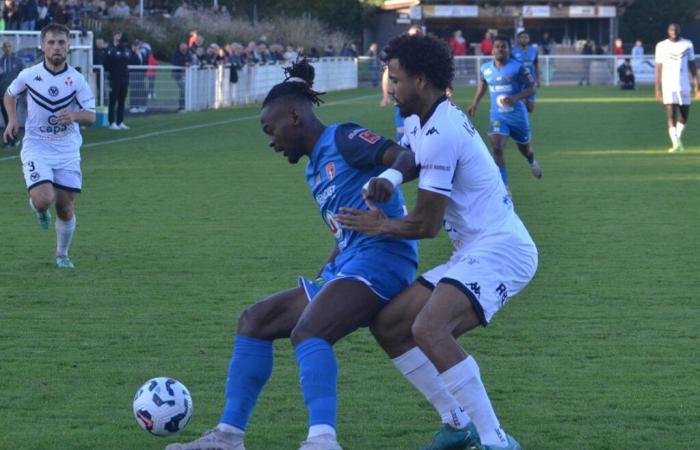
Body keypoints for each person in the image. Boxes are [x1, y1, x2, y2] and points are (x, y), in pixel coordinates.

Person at [164, 59, 418, 450]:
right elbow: (347, 221)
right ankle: (228, 437)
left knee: (310, 331)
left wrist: (387, 180)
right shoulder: (313, 169)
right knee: (255, 320)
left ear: (295, 117)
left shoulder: (344, 137)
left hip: (384, 260)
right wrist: (333, 259)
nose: (270, 140)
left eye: (271, 129)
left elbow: (404, 156)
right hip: (352, 264)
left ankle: (322, 440)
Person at [337, 32, 537, 450]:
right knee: (391, 325)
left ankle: (496, 440)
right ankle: (455, 423)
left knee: (429, 327)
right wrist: (389, 178)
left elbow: (426, 225)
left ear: (422, 81)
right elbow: (409, 156)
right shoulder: (422, 119)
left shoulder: (443, 130)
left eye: (396, 78)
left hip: (503, 249)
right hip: (476, 248)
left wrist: (378, 226)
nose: (390, 88)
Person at [3, 23, 95, 268]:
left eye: (61, 43)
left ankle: (61, 254)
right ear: (42, 46)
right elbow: (10, 94)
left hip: (67, 150)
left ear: (68, 47)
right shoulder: (29, 75)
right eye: (51, 42)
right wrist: (12, 120)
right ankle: (38, 207)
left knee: (65, 208)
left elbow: (91, 115)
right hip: (37, 147)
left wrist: (74, 117)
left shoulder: (77, 80)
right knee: (45, 199)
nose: (56, 47)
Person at [468, 35, 542, 190]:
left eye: (504, 46)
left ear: (509, 49)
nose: (500, 49)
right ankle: (504, 186)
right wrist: (475, 102)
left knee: (525, 149)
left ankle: (532, 161)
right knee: (497, 147)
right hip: (498, 116)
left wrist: (515, 97)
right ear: (492, 49)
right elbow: (483, 84)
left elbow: (531, 88)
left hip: (517, 117)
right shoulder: (486, 68)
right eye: (497, 46)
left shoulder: (518, 67)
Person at [655, 23, 699, 153]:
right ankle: (675, 144)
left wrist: (697, 84)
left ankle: (677, 140)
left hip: (684, 84)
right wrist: (657, 88)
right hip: (668, 84)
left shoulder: (687, 44)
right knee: (671, 114)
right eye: (671, 29)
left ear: (679, 30)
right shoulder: (661, 46)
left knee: (684, 115)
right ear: (668, 31)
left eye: (676, 29)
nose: (673, 31)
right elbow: (658, 68)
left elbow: (692, 65)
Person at [104, 33, 132, 129]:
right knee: (112, 101)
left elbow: (128, 60)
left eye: (126, 42)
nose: (124, 44)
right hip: (114, 79)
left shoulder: (128, 51)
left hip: (124, 79)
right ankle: (111, 122)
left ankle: (120, 121)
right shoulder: (112, 51)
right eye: (123, 42)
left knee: (121, 101)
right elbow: (107, 64)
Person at [0, 40, 24, 147]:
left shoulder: (18, 61)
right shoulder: (0, 62)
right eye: (5, 46)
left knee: (12, 117)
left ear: (12, 48)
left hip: (14, 95)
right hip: (2, 94)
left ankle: (10, 140)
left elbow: (24, 76)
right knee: (7, 117)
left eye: (9, 46)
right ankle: (11, 139)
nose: (7, 48)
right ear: (2, 49)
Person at [511, 31, 540, 113]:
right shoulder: (513, 51)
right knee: (522, 107)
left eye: (526, 37)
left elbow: (536, 64)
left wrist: (538, 79)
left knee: (530, 109)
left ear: (529, 39)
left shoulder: (534, 50)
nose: (524, 39)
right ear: (518, 39)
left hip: (531, 82)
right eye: (522, 37)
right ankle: (523, 124)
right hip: (519, 82)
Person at [171, 42, 191, 112]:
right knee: (183, 89)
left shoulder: (188, 53)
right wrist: (184, 64)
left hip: (187, 75)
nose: (184, 50)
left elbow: (190, 60)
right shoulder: (176, 54)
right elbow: (175, 62)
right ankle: (181, 107)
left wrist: (188, 63)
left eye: (185, 49)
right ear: (180, 48)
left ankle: (186, 105)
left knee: (186, 90)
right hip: (178, 75)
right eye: (183, 49)